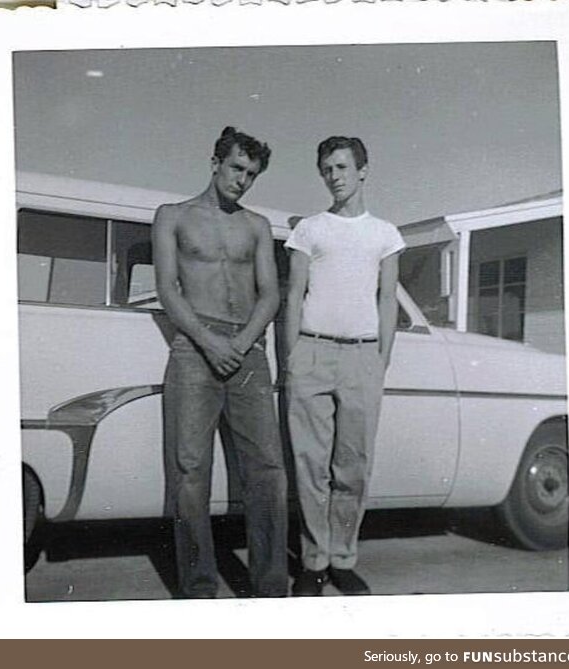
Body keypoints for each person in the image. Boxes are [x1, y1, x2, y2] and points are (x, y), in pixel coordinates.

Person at [153, 127, 288, 598]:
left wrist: (245, 341)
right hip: (194, 346)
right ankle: (199, 590)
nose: (242, 181)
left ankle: (271, 589)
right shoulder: (172, 217)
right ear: (215, 162)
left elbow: (270, 292)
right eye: (236, 168)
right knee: (190, 473)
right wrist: (210, 342)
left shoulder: (257, 226)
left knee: (268, 470)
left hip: (248, 349)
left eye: (251, 174)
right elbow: (169, 290)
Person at [285, 136, 405, 596]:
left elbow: (387, 300)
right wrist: (293, 356)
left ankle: (342, 558)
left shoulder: (385, 234)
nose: (333, 176)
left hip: (362, 357)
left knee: (353, 465)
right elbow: (294, 295)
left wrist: (381, 360)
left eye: (340, 166)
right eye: (325, 169)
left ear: (362, 170)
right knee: (310, 465)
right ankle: (313, 562)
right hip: (312, 354)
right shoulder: (310, 230)